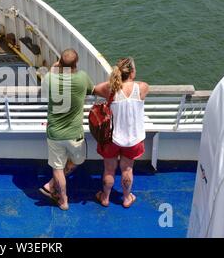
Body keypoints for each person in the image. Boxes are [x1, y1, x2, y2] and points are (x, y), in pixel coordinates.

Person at [39, 49, 94, 210]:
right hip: (75, 134)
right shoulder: (82, 78)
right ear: (76, 64)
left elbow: (47, 80)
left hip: (55, 133)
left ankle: (63, 200)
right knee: (77, 161)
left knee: (57, 168)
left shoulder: (50, 78)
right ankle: (50, 186)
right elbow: (92, 89)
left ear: (59, 63)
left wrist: (54, 68)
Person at [93, 57, 149, 208]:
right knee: (127, 169)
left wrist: (113, 81)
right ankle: (126, 198)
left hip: (112, 138)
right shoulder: (142, 87)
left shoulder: (110, 89)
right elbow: (136, 88)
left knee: (109, 169)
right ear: (132, 72)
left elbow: (95, 88)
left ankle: (105, 198)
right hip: (133, 139)